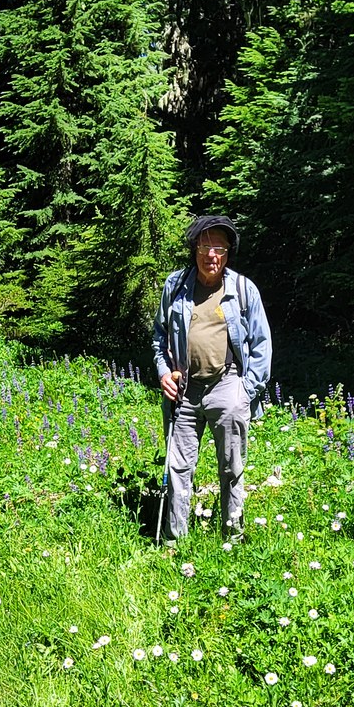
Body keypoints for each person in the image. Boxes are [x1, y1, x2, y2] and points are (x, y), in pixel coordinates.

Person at [152, 215, 272, 540]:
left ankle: (233, 536)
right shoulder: (175, 287)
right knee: (178, 467)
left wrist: (245, 392)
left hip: (227, 384)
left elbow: (262, 346)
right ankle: (175, 541)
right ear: (194, 249)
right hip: (183, 389)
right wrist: (164, 372)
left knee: (232, 466)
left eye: (219, 248)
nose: (211, 255)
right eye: (205, 246)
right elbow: (159, 336)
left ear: (228, 253)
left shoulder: (243, 290)